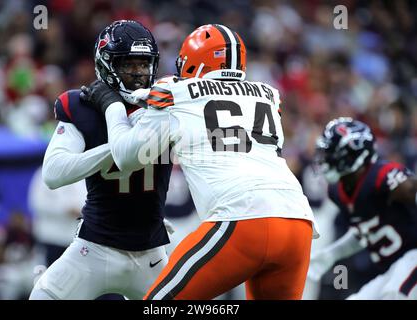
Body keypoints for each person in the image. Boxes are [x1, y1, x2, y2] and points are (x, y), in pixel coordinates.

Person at [81, 24, 319, 300]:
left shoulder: (175, 92)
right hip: (298, 222)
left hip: (241, 218)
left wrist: (111, 105)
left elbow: (124, 155)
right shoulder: (268, 94)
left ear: (194, 62)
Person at [29, 20, 173, 300]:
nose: (138, 73)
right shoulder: (81, 105)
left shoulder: (166, 104)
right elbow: (54, 173)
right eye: (128, 64)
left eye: (144, 64)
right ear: (106, 64)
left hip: (151, 251)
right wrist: (122, 147)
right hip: (95, 246)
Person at [308, 117, 417, 299]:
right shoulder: (338, 190)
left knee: (395, 295)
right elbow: (366, 231)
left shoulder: (382, 175)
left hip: (412, 256)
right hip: (393, 267)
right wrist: (331, 254)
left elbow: (411, 188)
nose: (326, 159)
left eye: (332, 153)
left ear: (352, 155)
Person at [28, 166, 86, 267]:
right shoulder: (44, 173)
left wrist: (81, 209)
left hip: (75, 240)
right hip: (52, 239)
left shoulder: (81, 171)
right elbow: (36, 202)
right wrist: (66, 209)